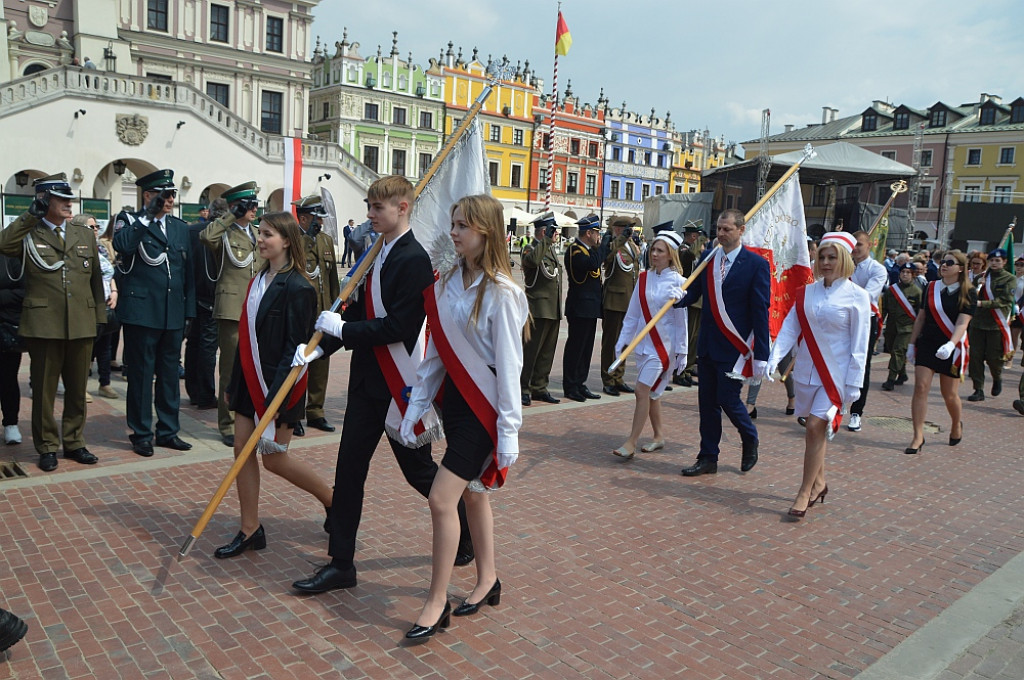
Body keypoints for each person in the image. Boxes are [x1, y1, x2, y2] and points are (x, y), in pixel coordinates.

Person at [290, 176, 474, 595]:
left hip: (398, 387)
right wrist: (321, 348)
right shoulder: (374, 251)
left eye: (378, 208)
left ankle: (465, 532)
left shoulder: (412, 259)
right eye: (369, 206)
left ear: (403, 208)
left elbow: (400, 326)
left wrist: (345, 331)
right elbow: (357, 311)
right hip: (365, 384)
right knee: (349, 471)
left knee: (419, 472)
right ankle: (341, 564)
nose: (370, 214)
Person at [396, 194, 528, 641]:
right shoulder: (449, 282)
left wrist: (509, 432)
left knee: (440, 499)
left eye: (463, 226)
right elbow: (437, 351)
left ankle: (437, 603)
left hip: (485, 409)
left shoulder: (504, 293)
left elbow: (511, 367)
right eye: (453, 224)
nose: (453, 232)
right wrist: (418, 402)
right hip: (455, 402)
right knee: (474, 495)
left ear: (485, 232)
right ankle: (488, 578)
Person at [213, 212, 334, 558]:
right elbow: (245, 339)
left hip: (279, 387)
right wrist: (234, 384)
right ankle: (250, 528)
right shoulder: (257, 280)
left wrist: (275, 400)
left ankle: (333, 501)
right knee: (241, 449)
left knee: (275, 459)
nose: (260, 239)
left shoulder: (298, 288)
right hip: (249, 383)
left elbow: (295, 349)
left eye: (267, 234)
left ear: (285, 240)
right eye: (259, 233)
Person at [0, 174, 105, 471]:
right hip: (44, 324)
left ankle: (74, 442)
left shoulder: (83, 234)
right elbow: (3, 244)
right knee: (45, 390)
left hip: (81, 322)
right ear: (44, 200)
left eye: (70, 198)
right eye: (61, 199)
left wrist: (98, 316)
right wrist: (29, 216)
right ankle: (47, 445)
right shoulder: (29, 234)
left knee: (76, 388)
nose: (69, 204)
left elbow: (95, 277)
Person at [765, 231, 870, 519]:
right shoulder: (807, 292)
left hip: (835, 376)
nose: (825, 262)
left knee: (814, 426)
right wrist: (774, 356)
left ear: (845, 259)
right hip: (806, 373)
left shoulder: (858, 297)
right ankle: (820, 482)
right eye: (822, 256)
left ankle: (804, 491)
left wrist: (854, 385)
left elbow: (860, 346)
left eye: (832, 257)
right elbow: (790, 327)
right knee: (813, 430)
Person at [676, 209, 770, 477]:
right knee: (707, 404)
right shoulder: (707, 258)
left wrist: (761, 353)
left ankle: (749, 436)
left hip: (735, 346)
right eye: (718, 228)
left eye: (727, 229)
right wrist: (676, 298)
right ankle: (708, 457)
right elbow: (693, 293)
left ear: (741, 230)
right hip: (707, 344)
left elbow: (760, 310)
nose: (721, 234)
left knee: (728, 398)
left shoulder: (755, 264)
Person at [113, 170, 195, 456]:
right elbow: (121, 246)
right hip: (142, 312)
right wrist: (147, 216)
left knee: (170, 375)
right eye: (165, 194)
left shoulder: (179, 227)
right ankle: (141, 433)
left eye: (172, 194)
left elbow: (189, 274)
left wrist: (190, 312)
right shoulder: (130, 221)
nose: (170, 199)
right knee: (141, 375)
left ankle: (168, 431)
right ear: (148, 196)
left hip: (172, 313)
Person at [612, 231, 687, 459]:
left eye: (660, 251)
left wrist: (682, 352)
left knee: (641, 390)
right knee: (653, 393)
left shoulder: (680, 283)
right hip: (644, 345)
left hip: (664, 347)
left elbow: (682, 322)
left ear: (671, 255)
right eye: (653, 249)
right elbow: (633, 314)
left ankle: (631, 442)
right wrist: (623, 341)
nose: (654, 254)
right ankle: (659, 436)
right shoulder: (644, 278)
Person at [201, 182, 264, 447]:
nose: (254, 209)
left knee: (256, 365)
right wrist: (229, 215)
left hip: (256, 309)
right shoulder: (224, 233)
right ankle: (226, 423)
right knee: (229, 369)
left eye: (254, 205)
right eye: (249, 205)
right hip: (231, 310)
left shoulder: (259, 233)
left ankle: (251, 415)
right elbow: (206, 237)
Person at [904, 250, 975, 453]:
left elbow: (963, 322)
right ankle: (918, 436)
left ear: (960, 268)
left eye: (950, 263)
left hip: (951, 346)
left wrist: (951, 344)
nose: (944, 265)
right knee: (920, 387)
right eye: (943, 261)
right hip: (927, 343)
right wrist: (911, 343)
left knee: (949, 394)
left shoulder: (968, 291)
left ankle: (956, 424)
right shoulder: (931, 287)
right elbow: (921, 317)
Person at [292, 194, 340, 435]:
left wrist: (336, 307)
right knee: (300, 362)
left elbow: (331, 278)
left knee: (321, 362)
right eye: (314, 218)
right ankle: (296, 413)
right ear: (303, 218)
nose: (319, 223)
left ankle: (316, 411)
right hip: (301, 312)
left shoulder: (325, 240)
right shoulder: (294, 240)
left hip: (323, 311)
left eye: (320, 219)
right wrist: (307, 237)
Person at [184, 198, 225, 410]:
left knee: (193, 344)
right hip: (212, 296)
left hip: (194, 295)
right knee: (208, 347)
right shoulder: (223, 233)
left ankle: (193, 390)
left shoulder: (193, 230)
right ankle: (205, 394)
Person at [846, 230, 888, 432]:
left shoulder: (877, 269)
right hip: (842, 320)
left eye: (860, 244)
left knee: (861, 365)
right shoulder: (842, 264)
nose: (855, 248)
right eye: (853, 244)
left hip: (865, 321)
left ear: (870, 245)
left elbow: (866, 296)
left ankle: (856, 412)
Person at [74, 214, 119, 400]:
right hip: (89, 306)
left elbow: (109, 272)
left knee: (105, 347)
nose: (95, 230)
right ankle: (80, 386)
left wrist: (114, 292)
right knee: (87, 349)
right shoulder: (77, 248)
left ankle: (104, 384)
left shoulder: (99, 248)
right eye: (91, 227)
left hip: (106, 304)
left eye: (96, 226)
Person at [520, 215, 562, 406]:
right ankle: (523, 388)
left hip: (552, 308)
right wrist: (545, 240)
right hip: (537, 308)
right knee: (531, 352)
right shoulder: (530, 248)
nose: (556, 235)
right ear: (544, 232)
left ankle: (539, 387)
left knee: (546, 353)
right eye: (553, 231)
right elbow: (533, 262)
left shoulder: (550, 250)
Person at [562, 215, 604, 402]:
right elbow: (593, 265)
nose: (598, 237)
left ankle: (580, 383)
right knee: (576, 348)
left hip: (590, 307)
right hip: (579, 307)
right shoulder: (575, 251)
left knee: (586, 349)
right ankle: (570, 385)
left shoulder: (588, 250)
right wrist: (602, 246)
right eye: (597, 233)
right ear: (589, 233)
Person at [966, 248, 1016, 402]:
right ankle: (978, 389)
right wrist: (976, 286)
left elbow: (1004, 301)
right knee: (975, 357)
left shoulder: (1009, 279)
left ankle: (997, 377)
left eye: (997, 261)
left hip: (995, 325)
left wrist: (982, 303)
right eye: (992, 260)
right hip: (977, 324)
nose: (994, 263)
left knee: (994, 359)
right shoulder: (982, 277)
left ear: (1004, 262)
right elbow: (969, 294)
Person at [599, 216, 641, 396]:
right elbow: (606, 258)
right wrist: (621, 238)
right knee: (611, 343)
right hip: (614, 301)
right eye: (626, 228)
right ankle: (608, 379)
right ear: (617, 229)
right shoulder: (611, 244)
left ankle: (619, 377)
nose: (630, 231)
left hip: (629, 301)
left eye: (630, 228)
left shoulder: (632, 246)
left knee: (624, 343)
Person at [674, 221, 707, 387]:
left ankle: (686, 369)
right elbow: (687, 261)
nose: (700, 240)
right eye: (698, 237)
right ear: (693, 236)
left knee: (693, 337)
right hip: (688, 299)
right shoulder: (683, 250)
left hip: (696, 301)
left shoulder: (693, 251)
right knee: (686, 337)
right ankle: (679, 371)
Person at [881, 261, 923, 390]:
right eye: (903, 272)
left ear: (913, 275)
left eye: (908, 273)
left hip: (907, 328)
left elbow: (920, 313)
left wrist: (919, 330)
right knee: (893, 350)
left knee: (898, 352)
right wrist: (880, 323)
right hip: (892, 327)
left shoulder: (917, 292)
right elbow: (884, 308)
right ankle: (903, 374)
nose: (905, 275)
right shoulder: (892, 290)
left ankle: (891, 379)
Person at [0, 251, 25, 444]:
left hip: (6, 329)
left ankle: (10, 423)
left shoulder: (11, 258)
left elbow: (26, 290)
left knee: (7, 378)